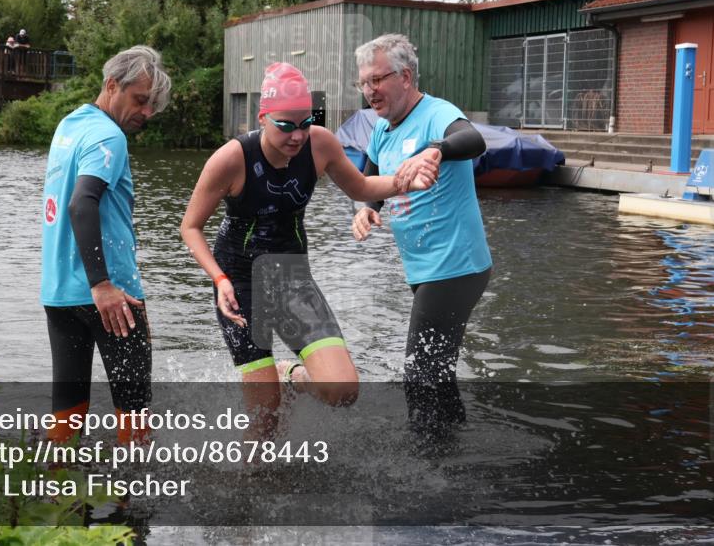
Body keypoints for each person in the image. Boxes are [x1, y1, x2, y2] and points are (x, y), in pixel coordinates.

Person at [180, 62, 437, 426]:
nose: (297, 136)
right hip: (239, 283)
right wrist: (219, 280)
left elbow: (361, 189)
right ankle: (254, 478)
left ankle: (291, 376)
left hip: (291, 278)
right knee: (265, 416)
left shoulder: (320, 144)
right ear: (263, 117)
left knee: (342, 390)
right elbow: (190, 227)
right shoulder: (231, 158)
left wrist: (406, 181)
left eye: (305, 122)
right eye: (285, 125)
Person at [351, 33, 492, 437]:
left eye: (377, 80)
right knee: (437, 370)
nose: (369, 91)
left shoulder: (436, 113)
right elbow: (369, 178)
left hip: (456, 265)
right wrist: (366, 210)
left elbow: (473, 139)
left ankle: (426, 461)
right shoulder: (381, 129)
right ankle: (454, 450)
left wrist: (436, 150)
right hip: (425, 268)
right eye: (363, 82)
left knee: (420, 370)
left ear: (405, 76)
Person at [40, 45, 171, 445]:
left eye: (151, 105)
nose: (146, 112)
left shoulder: (69, 126)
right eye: (141, 100)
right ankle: (126, 506)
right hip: (114, 300)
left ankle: (55, 500)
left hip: (59, 294)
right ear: (112, 84)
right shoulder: (108, 136)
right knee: (134, 421)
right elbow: (82, 202)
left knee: (67, 411)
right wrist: (102, 285)